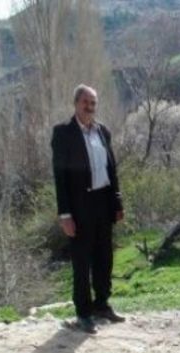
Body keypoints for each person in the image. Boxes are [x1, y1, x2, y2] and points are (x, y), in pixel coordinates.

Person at [51, 84, 125, 334]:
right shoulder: (63, 133)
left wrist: (117, 202)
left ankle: (101, 304)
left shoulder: (103, 131)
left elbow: (111, 169)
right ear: (76, 103)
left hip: (103, 203)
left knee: (105, 257)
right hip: (79, 207)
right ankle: (83, 313)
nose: (90, 107)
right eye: (86, 102)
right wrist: (65, 215)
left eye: (93, 103)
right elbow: (59, 177)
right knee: (82, 261)